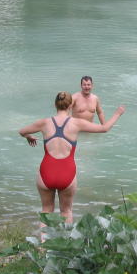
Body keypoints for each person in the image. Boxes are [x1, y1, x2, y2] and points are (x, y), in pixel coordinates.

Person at [19, 92, 125, 224]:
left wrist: (29, 137)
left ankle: (42, 237)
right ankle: (67, 237)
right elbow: (104, 128)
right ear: (70, 106)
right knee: (66, 211)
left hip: (46, 171)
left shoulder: (44, 123)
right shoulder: (77, 123)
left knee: (46, 210)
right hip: (67, 173)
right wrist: (117, 114)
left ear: (55, 105)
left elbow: (22, 131)